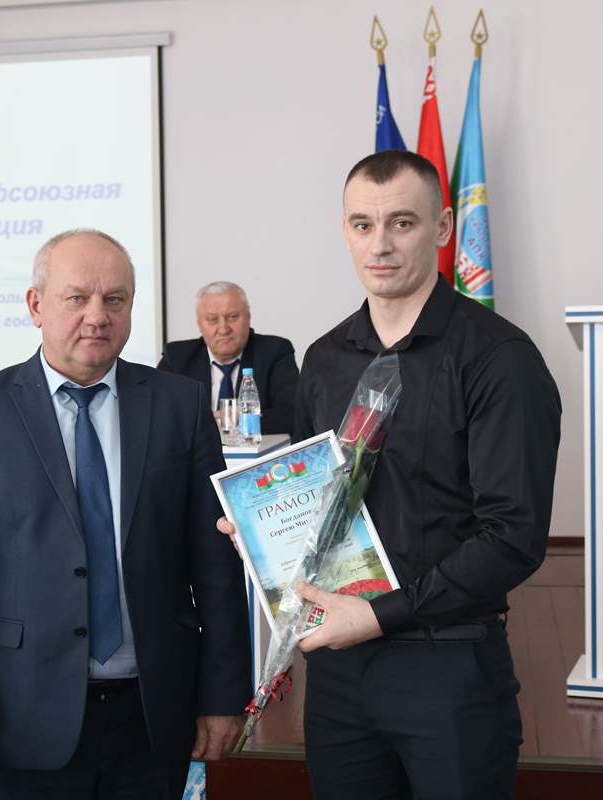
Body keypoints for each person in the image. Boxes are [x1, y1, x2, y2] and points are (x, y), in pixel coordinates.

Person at [219, 150, 561, 799]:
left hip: (449, 669)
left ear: (443, 227)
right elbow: (324, 510)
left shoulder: (500, 359)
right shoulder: (324, 359)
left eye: (402, 223)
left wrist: (379, 617)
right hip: (339, 676)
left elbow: (513, 537)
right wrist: (262, 536)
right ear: (345, 231)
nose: (379, 244)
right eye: (362, 224)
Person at [0, 229, 250, 799]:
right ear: (36, 306)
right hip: (21, 719)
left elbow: (215, 565)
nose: (97, 316)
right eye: (77, 298)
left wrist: (223, 696)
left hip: (153, 717)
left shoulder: (181, 405)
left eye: (114, 299)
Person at [158, 281, 299, 434]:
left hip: (255, 449)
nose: (224, 329)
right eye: (212, 319)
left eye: (232, 317)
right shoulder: (177, 358)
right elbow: (158, 414)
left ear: (248, 317)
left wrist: (233, 419)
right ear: (199, 324)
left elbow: (292, 414)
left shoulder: (274, 352)